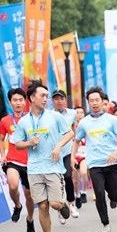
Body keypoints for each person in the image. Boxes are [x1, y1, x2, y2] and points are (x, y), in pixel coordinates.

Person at [10, 82, 74, 232]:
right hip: (34, 169)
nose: (46, 99)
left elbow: (70, 133)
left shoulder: (55, 116)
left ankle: (63, 205)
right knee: (43, 206)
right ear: (31, 98)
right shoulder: (23, 122)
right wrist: (29, 143)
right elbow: (17, 144)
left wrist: (58, 146)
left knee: (53, 204)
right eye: (42, 96)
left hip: (53, 167)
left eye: (47, 96)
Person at [73, 87, 117, 232]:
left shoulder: (112, 120)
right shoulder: (84, 122)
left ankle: (116, 198)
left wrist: (116, 152)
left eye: (97, 100)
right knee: (99, 193)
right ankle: (105, 224)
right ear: (88, 103)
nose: (94, 103)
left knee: (114, 194)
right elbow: (77, 140)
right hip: (95, 163)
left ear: (103, 102)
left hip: (112, 162)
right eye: (91, 100)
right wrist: (72, 157)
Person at [0, 88, 36, 232]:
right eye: (15, 100)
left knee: (30, 195)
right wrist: (2, 155)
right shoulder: (6, 120)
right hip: (13, 160)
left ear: (25, 101)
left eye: (21, 100)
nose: (18, 103)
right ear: (10, 102)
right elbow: (0, 139)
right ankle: (18, 206)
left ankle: (30, 219)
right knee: (13, 186)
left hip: (31, 162)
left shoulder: (32, 118)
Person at [52, 89, 79, 220]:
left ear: (65, 100)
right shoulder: (49, 115)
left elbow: (75, 131)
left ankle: (71, 203)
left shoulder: (72, 113)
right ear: (53, 101)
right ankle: (60, 208)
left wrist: (75, 151)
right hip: (54, 153)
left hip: (67, 151)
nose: (59, 101)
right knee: (57, 180)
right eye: (56, 99)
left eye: (61, 98)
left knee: (68, 177)